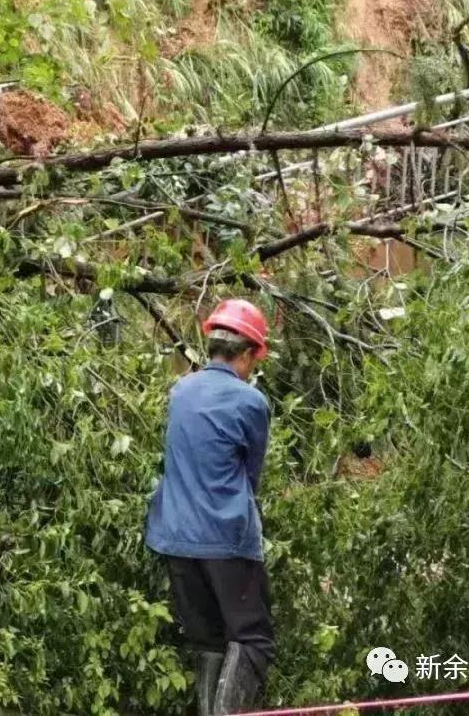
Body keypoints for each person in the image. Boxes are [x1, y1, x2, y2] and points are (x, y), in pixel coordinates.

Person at [145, 299, 274, 715]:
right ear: (249, 354)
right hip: (224, 538)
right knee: (252, 639)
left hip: (175, 536)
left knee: (208, 641)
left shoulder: (180, 390)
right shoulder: (251, 403)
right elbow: (251, 476)